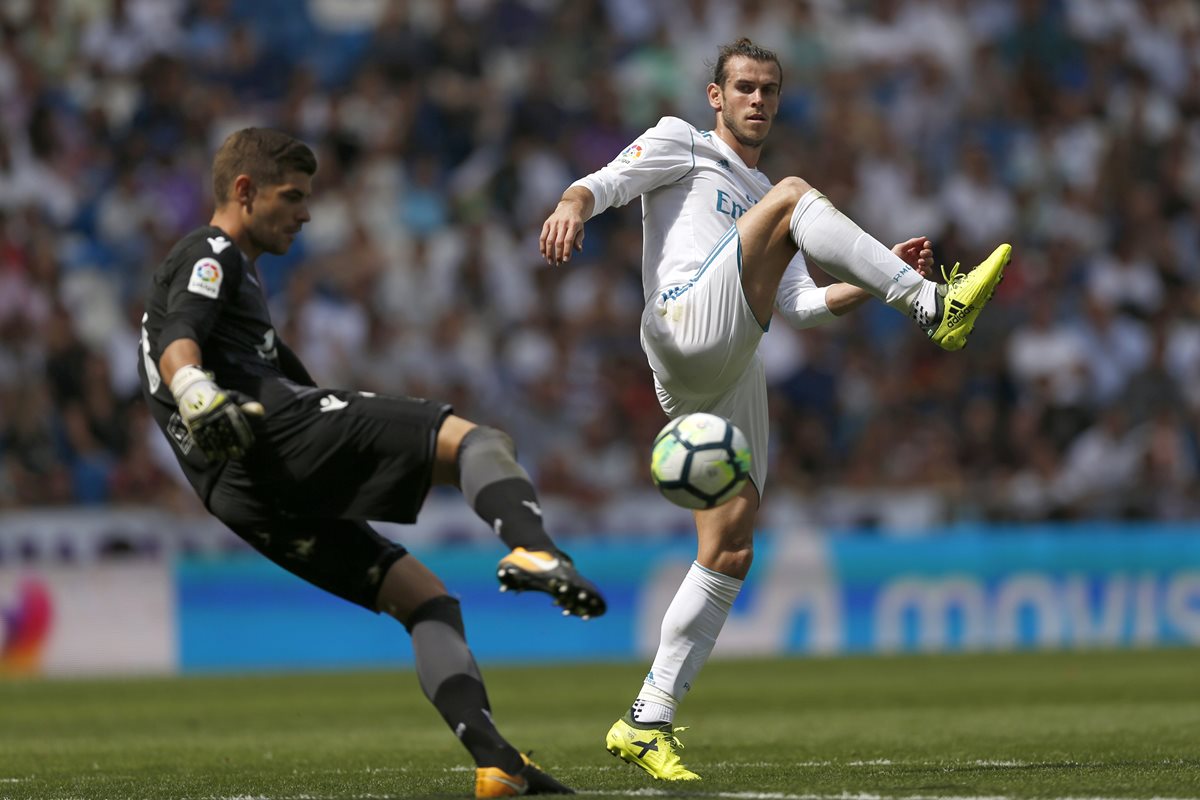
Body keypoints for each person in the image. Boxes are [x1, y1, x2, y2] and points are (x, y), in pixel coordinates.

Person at [539, 39, 1011, 781]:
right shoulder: (682, 143)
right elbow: (600, 186)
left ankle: (647, 719)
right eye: (745, 88)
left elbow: (803, 306)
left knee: (729, 548)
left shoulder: (764, 203)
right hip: (684, 322)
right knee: (795, 194)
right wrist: (570, 206)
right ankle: (934, 307)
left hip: (729, 360)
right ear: (715, 97)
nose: (758, 100)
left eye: (770, 90)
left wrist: (877, 271)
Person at [137, 127, 606, 798]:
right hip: (274, 438)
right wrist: (195, 391)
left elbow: (187, 342)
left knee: (426, 600)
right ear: (243, 192)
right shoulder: (210, 252)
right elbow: (177, 339)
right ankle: (533, 549)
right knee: (478, 442)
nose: (304, 213)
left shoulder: (240, 296)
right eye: (292, 196)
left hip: (239, 493)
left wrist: (204, 395)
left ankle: (497, 763)